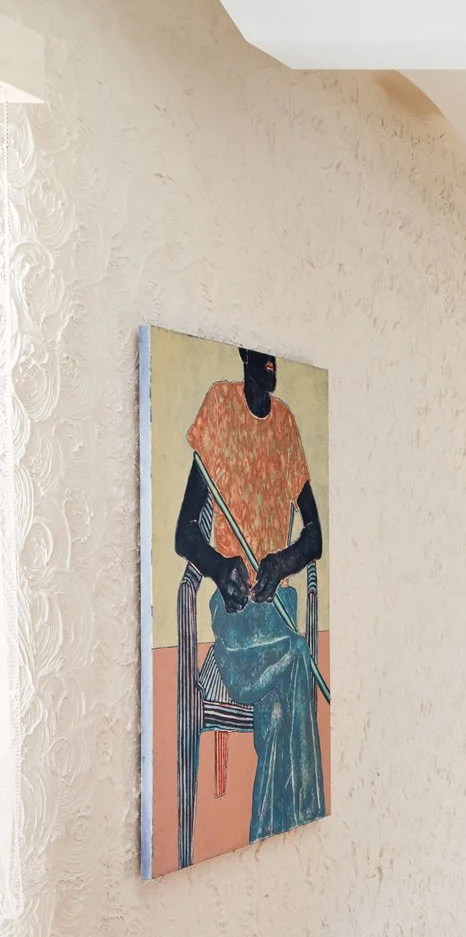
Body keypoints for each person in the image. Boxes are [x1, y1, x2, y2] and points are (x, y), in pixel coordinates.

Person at [172, 347, 326, 839]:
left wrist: (281, 564)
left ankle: (265, 837)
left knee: (278, 715)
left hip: (277, 610)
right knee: (301, 651)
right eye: (260, 354)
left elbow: (315, 537)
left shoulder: (285, 425)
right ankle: (309, 818)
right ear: (244, 354)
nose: (270, 361)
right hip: (237, 619)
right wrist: (220, 569)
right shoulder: (219, 407)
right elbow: (183, 534)